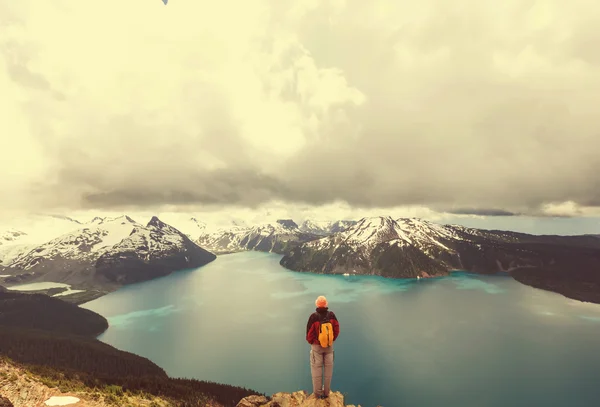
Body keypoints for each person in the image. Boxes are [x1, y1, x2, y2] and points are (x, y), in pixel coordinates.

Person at [306, 295, 340, 399]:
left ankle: (317, 395)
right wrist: (331, 340)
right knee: (328, 372)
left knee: (317, 371)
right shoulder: (332, 315)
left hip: (317, 348)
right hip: (329, 347)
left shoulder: (313, 317)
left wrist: (314, 342)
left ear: (317, 304)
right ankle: (326, 394)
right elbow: (337, 330)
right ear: (326, 304)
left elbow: (309, 335)